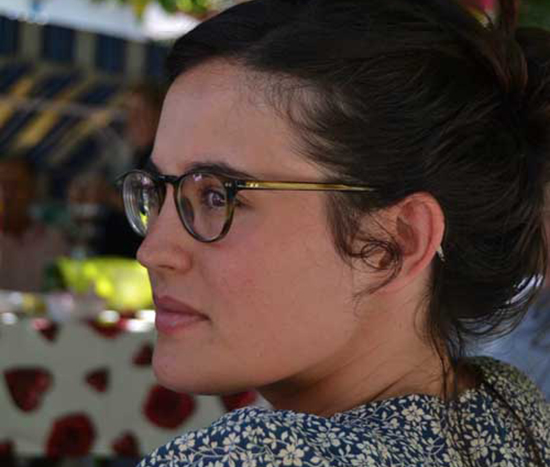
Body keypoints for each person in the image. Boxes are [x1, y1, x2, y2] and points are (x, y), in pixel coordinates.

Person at [118, 0, 550, 465]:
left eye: (217, 196)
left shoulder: (252, 456)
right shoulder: (511, 411)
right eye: (158, 190)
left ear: (397, 242)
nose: (153, 251)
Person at [0, 158, 69, 292]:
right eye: (2, 185)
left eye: (16, 185)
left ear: (33, 191)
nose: (7, 194)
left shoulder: (54, 241)